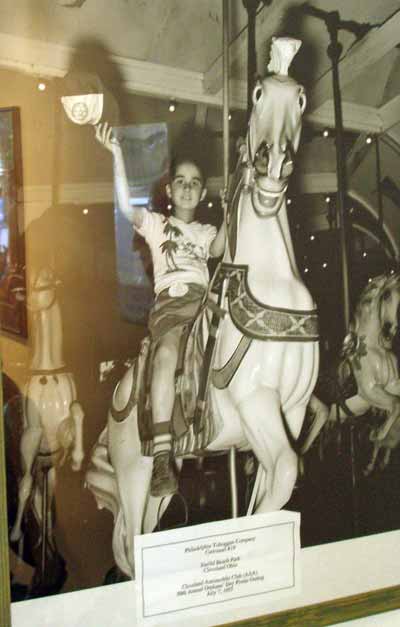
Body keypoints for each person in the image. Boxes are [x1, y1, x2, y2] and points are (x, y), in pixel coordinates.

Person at [95, 122, 226, 497]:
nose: (187, 185)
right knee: (166, 355)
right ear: (170, 190)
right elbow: (124, 207)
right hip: (171, 308)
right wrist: (117, 155)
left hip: (202, 306)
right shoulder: (157, 225)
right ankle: (164, 457)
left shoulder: (204, 231)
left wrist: (233, 210)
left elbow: (220, 251)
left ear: (202, 192)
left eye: (195, 181)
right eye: (180, 180)